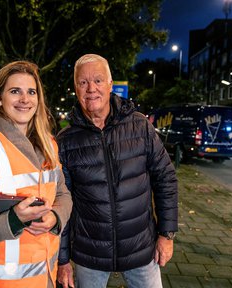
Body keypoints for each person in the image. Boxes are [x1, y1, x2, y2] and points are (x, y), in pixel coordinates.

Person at [56, 54, 178, 288]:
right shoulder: (65, 142)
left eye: (98, 80)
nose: (91, 88)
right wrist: (62, 261)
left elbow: (166, 179)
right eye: (83, 82)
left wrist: (167, 234)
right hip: (89, 255)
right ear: (75, 88)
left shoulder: (140, 126)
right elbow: (61, 202)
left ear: (111, 85)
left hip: (142, 249)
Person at [0, 60, 73, 287]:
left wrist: (55, 218)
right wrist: (14, 219)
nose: (24, 99)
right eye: (14, 91)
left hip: (47, 277)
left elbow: (64, 196)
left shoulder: (49, 144)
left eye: (31, 92)